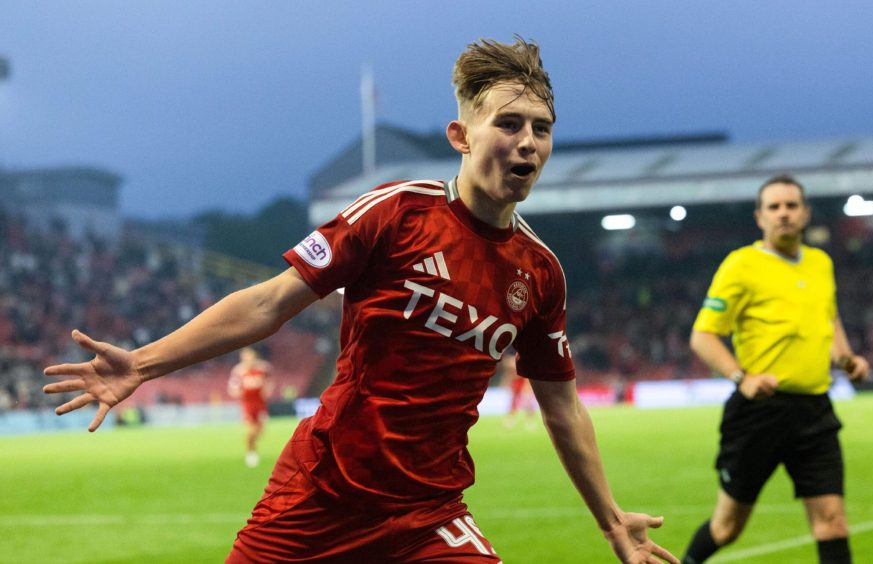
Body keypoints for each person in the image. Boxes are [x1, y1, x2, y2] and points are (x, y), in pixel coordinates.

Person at [43, 37, 678, 564]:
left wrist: (610, 521)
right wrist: (144, 363)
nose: (528, 142)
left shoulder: (541, 272)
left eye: (541, 129)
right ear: (461, 134)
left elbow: (562, 406)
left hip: (429, 515)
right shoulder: (397, 212)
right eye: (508, 124)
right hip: (321, 494)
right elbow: (270, 304)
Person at [680, 175, 870, 564]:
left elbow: (828, 316)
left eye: (791, 205)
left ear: (805, 213)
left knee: (832, 522)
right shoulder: (741, 265)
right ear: (759, 217)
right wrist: (742, 378)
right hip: (759, 414)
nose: (784, 214)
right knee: (727, 527)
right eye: (774, 207)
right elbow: (703, 337)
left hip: (816, 411)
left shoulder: (821, 263)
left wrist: (847, 357)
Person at [228, 346, 274, 468]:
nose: (248, 359)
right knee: (251, 430)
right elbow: (232, 388)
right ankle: (251, 452)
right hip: (247, 404)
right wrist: (238, 392)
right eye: (245, 357)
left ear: (254, 356)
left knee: (260, 430)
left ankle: (252, 448)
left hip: (261, 404)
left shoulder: (263, 368)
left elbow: (269, 382)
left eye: (250, 356)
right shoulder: (238, 371)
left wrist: (267, 391)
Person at [501, 352, 537, 429]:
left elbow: (525, 377)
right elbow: (509, 377)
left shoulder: (514, 363)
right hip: (517, 384)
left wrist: (527, 387)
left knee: (528, 402)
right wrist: (507, 384)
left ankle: (530, 421)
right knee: (513, 402)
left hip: (522, 382)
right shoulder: (511, 367)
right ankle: (511, 420)